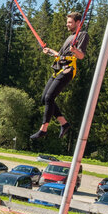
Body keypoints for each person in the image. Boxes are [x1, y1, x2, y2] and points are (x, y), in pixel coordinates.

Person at [30, 12, 89, 140]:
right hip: (59, 68)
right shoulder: (70, 37)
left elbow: (81, 55)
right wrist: (50, 51)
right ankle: (64, 123)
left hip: (68, 69)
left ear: (78, 23)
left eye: (70, 22)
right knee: (44, 98)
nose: (67, 24)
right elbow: (61, 55)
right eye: (67, 22)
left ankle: (43, 129)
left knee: (49, 97)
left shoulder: (82, 35)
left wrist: (74, 50)